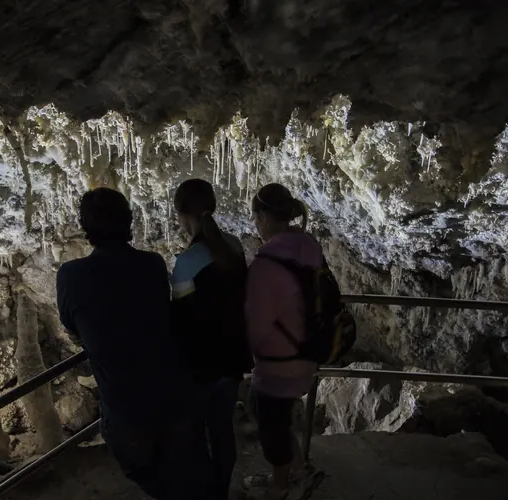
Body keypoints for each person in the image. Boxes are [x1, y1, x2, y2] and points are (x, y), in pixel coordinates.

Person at [56, 187, 213, 500]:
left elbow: (71, 325)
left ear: (86, 229)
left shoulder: (70, 276)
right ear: (128, 221)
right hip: (175, 394)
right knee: (190, 476)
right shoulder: (151, 265)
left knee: (149, 472)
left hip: (126, 407)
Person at [171, 179, 253, 500]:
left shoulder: (186, 262)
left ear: (182, 215)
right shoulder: (234, 246)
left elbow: (181, 318)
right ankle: (219, 492)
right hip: (232, 359)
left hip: (200, 365)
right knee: (222, 432)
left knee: (193, 435)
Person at [244, 183, 325, 499]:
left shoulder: (268, 264)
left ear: (264, 216)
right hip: (308, 352)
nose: (255, 224)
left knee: (271, 427)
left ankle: (282, 487)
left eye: (255, 217)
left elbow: (257, 325)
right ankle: (300, 469)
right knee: (276, 417)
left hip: (279, 361)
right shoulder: (308, 246)